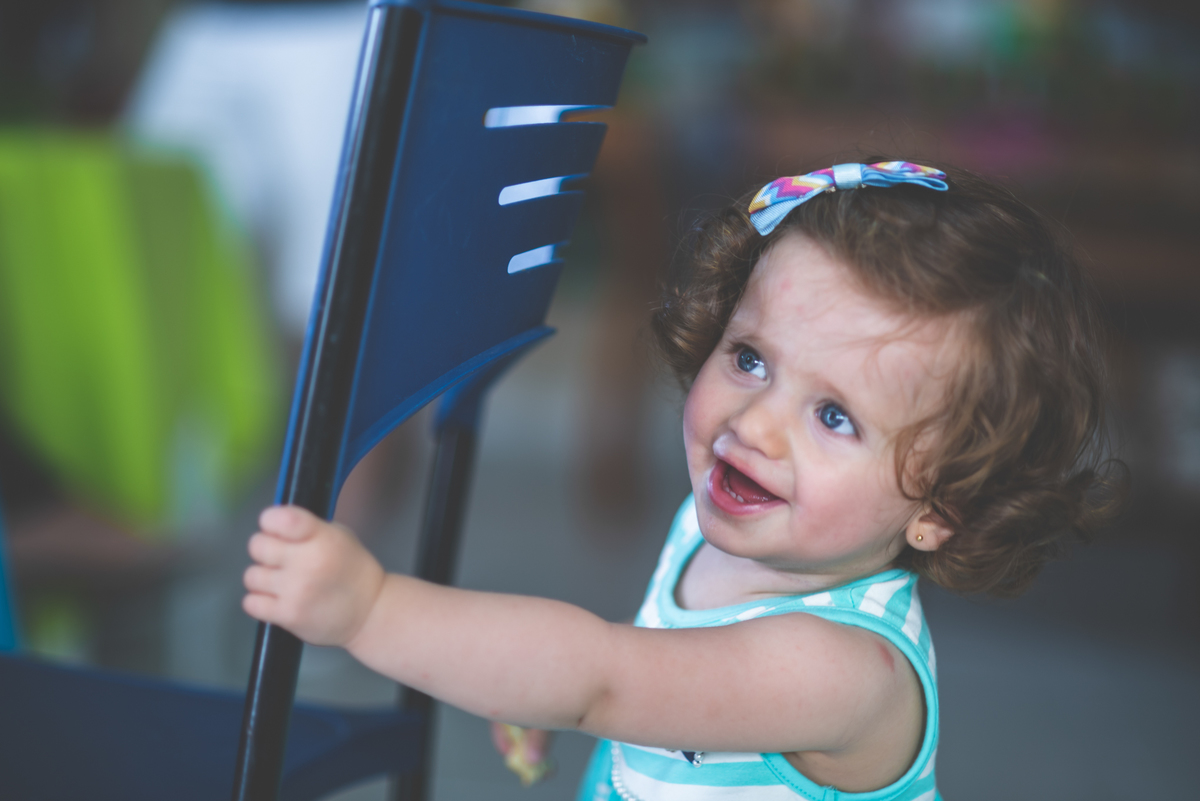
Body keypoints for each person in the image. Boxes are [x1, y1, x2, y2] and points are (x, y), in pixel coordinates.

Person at [242, 160, 1121, 799]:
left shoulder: (842, 671)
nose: (757, 422)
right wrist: (537, 687)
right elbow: (645, 665)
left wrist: (368, 608)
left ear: (943, 507)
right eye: (749, 357)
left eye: (835, 416)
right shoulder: (727, 520)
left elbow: (605, 676)